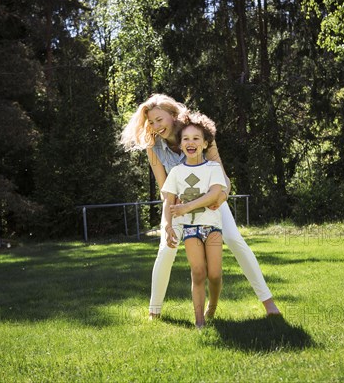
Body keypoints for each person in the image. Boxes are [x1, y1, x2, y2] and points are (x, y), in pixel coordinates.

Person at [120, 93, 280, 318]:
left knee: (234, 239)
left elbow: (223, 179)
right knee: (166, 249)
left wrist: (221, 198)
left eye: (160, 120)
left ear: (173, 116)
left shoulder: (200, 135)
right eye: (151, 122)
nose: (155, 126)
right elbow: (165, 188)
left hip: (210, 200)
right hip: (178, 204)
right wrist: (170, 220)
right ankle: (154, 312)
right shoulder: (153, 146)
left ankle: (269, 304)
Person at [162, 111, 227, 328]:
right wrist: (168, 226)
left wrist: (187, 206)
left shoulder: (213, 168)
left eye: (196, 138)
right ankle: (199, 322)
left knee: (215, 274)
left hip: (213, 228)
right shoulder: (176, 172)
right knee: (198, 272)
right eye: (186, 139)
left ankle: (213, 306)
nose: (191, 143)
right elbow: (168, 201)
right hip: (190, 229)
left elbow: (214, 194)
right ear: (180, 145)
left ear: (206, 143)